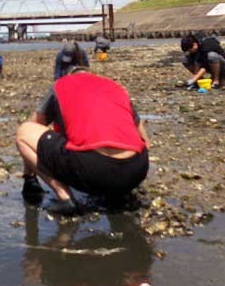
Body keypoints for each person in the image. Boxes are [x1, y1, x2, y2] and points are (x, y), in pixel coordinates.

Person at [15, 67, 151, 214]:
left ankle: (65, 197)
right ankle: (119, 192)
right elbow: (145, 140)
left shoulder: (61, 85)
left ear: (69, 75)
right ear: (93, 74)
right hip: (136, 169)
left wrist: (30, 176)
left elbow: (35, 125)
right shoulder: (115, 87)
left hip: (92, 170)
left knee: (24, 131)